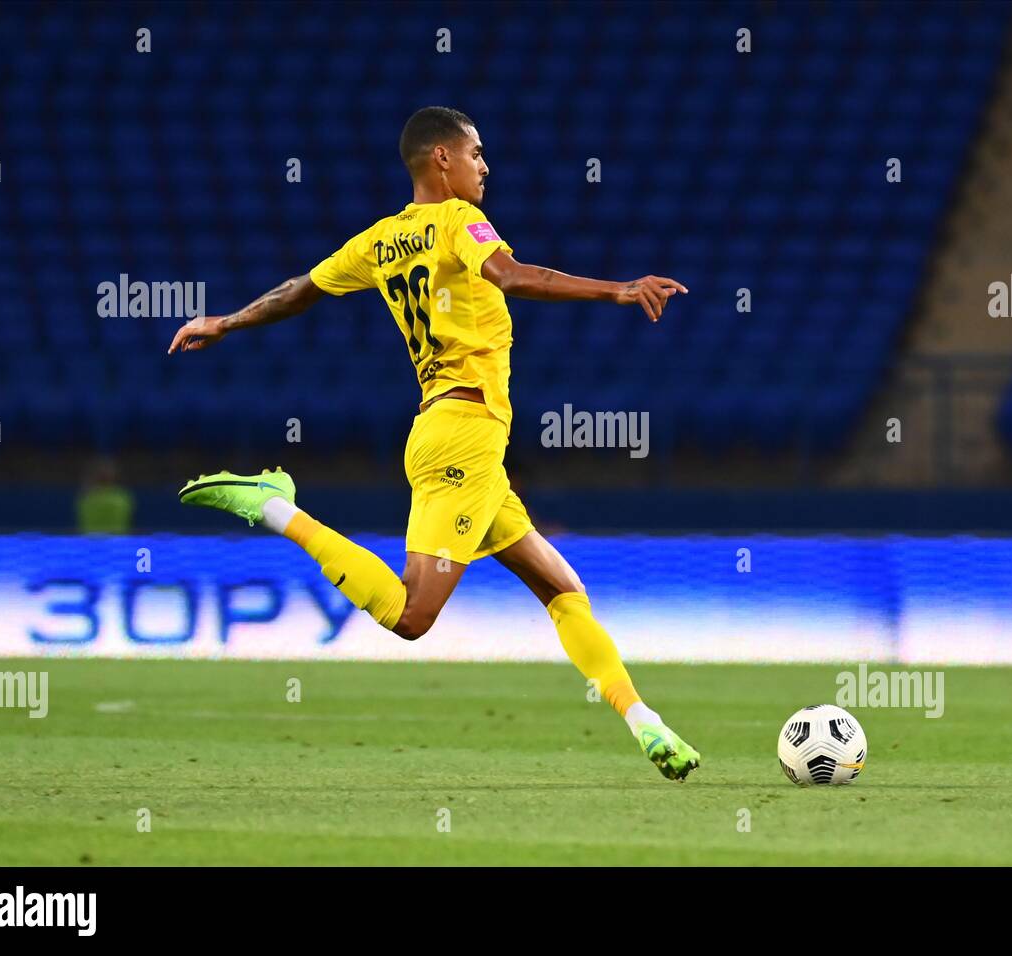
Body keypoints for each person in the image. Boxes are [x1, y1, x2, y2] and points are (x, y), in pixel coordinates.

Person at [167, 107, 699, 780]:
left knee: (563, 591)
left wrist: (227, 321)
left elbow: (297, 291)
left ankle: (644, 723)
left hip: (459, 439)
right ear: (441, 158)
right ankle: (277, 508)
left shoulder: (381, 240)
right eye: (476, 152)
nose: (486, 166)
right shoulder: (456, 222)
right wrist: (619, 290)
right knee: (413, 615)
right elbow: (511, 275)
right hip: (464, 437)